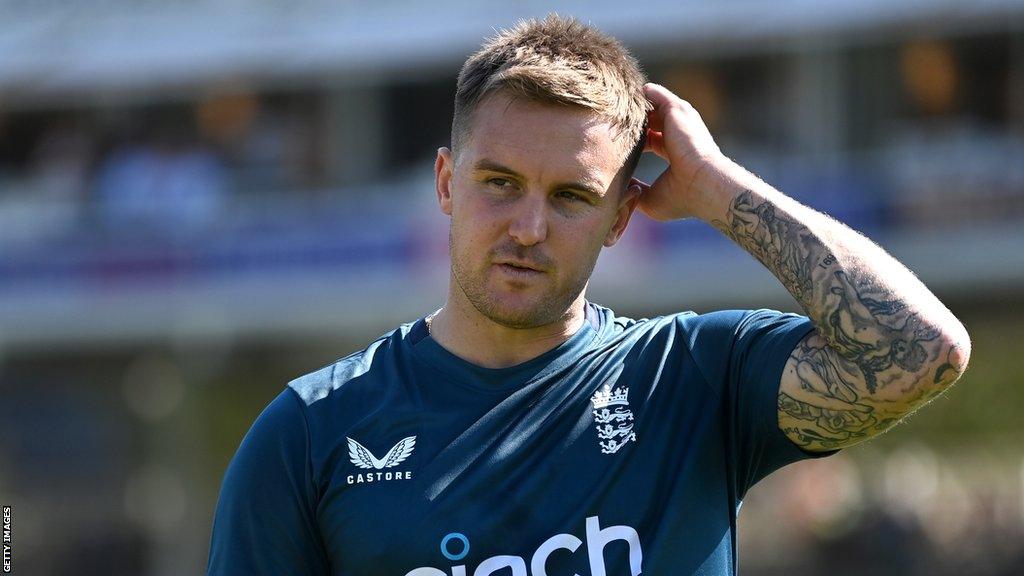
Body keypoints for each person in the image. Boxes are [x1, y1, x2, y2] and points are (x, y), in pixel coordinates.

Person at [206, 15, 970, 576]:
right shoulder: (311, 434)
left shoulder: (692, 378)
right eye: (498, 184)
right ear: (445, 184)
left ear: (620, 217)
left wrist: (713, 188)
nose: (528, 227)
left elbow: (920, 352)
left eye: (573, 196)